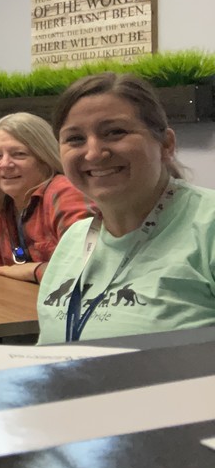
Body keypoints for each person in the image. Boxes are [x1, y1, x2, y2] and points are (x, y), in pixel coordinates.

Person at [37, 73, 215, 344]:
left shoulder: (208, 226)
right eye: (75, 139)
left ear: (166, 145)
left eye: (115, 132)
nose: (94, 153)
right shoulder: (75, 238)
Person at [0, 112, 92, 284]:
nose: (4, 164)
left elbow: (87, 267)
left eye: (19, 154)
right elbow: (3, 273)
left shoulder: (65, 193)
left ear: (45, 158)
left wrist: (33, 270)